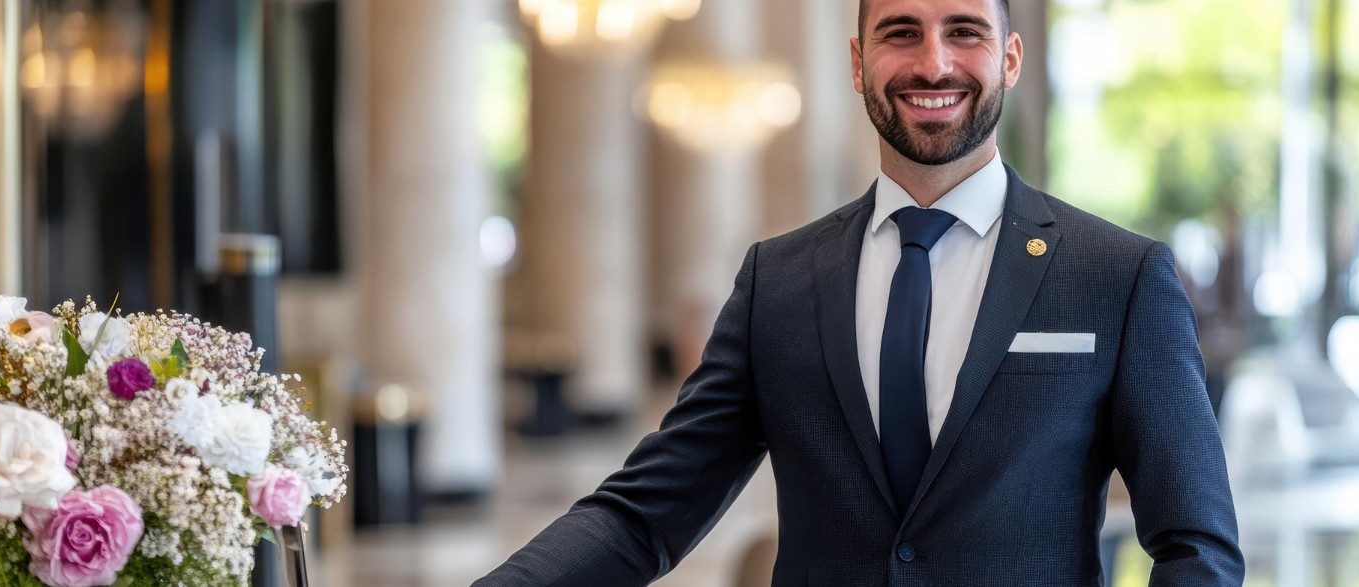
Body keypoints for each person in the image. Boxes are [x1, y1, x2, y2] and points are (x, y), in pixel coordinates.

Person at [477, 0, 1245, 584]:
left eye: (965, 32)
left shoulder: (1118, 276)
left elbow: (1198, 545)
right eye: (901, 32)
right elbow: (642, 516)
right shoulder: (776, 282)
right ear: (857, 61)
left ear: (1011, 58)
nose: (933, 63)